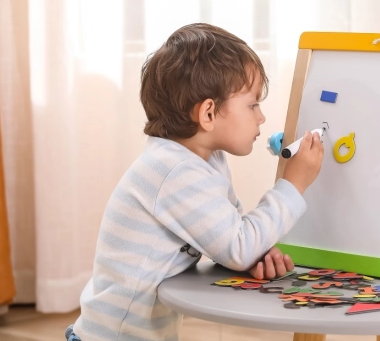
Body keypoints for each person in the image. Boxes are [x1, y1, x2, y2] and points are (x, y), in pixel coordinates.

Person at [66, 23, 324, 341]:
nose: (261, 117)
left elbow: (229, 237)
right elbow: (238, 247)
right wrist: (293, 184)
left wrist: (259, 251)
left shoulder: (205, 159)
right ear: (208, 114)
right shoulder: (174, 171)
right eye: (253, 104)